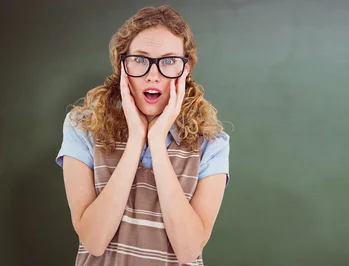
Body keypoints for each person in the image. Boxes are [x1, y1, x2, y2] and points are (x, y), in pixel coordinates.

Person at [55, 5, 230, 266]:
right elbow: (94, 240)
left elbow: (188, 250)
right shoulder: (82, 127)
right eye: (140, 59)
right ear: (121, 64)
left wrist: (157, 142)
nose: (153, 74)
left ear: (187, 67)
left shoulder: (212, 143)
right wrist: (136, 139)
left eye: (169, 61)